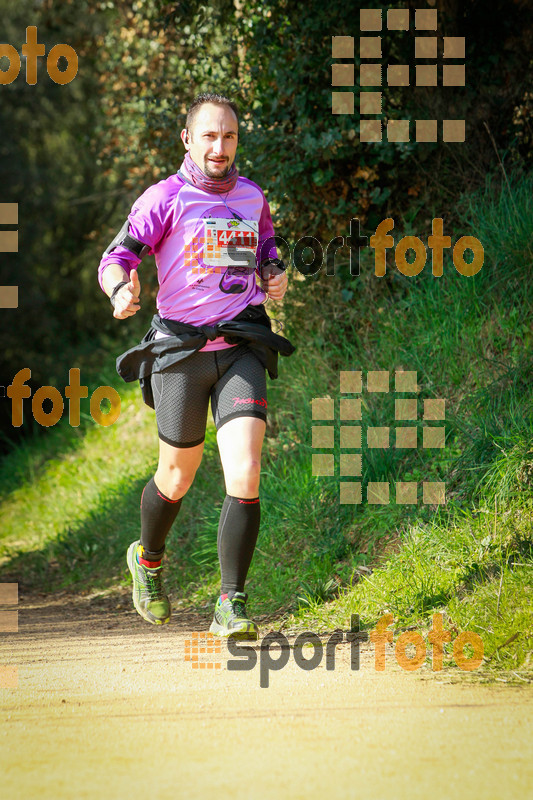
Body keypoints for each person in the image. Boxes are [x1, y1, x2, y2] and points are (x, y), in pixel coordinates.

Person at [97, 92, 293, 639]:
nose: (219, 146)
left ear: (237, 140)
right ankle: (149, 558)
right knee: (177, 475)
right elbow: (117, 258)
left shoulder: (253, 198)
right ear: (188, 139)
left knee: (246, 471)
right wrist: (119, 290)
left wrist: (276, 276)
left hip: (240, 347)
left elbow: (268, 257)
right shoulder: (164, 199)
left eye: (228, 135)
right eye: (209, 135)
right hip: (180, 353)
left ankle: (231, 603)